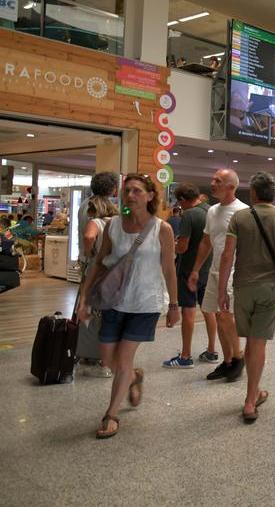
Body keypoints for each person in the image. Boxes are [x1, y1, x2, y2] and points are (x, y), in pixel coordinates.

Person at [76, 173, 179, 438]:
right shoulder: (113, 226)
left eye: (136, 191)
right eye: (127, 191)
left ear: (150, 195)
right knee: (108, 359)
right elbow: (99, 263)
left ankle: (111, 414)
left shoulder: (162, 229)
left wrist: (175, 304)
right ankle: (134, 377)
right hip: (113, 301)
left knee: (122, 359)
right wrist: (85, 298)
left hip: (146, 302)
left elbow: (169, 269)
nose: (130, 195)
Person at [218, 172, 275, 423]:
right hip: (270, 289)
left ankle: (254, 392)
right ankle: (251, 401)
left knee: (251, 342)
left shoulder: (240, 218)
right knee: (257, 342)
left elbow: (227, 255)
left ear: (253, 193)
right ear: (273, 194)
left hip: (243, 287)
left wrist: (222, 289)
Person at [188, 169, 249, 382]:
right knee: (215, 314)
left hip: (234, 272)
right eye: (212, 179)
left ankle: (238, 357)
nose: (212, 183)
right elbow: (206, 242)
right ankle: (228, 360)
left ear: (231, 187)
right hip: (214, 270)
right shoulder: (212, 211)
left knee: (225, 316)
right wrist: (196, 269)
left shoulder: (243, 211)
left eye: (218, 181)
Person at [162, 183, 218, 368]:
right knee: (209, 310)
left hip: (189, 270)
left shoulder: (189, 215)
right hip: (208, 268)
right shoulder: (210, 211)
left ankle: (185, 356)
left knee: (188, 310)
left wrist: (173, 246)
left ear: (183, 200)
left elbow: (183, 246)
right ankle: (211, 351)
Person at [76, 172, 119, 378]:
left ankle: (85, 352)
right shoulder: (106, 210)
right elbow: (90, 235)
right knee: (101, 311)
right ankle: (102, 355)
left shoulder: (85, 204)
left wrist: (86, 254)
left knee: (86, 307)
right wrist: (91, 252)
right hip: (101, 268)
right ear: (113, 189)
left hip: (87, 265)